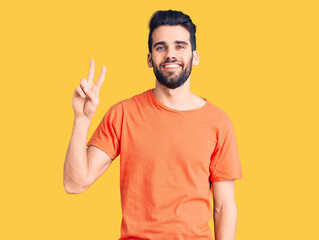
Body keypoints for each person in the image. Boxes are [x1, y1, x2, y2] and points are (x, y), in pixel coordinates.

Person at [64, 10, 242, 240]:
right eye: (161, 47)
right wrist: (81, 119)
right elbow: (74, 183)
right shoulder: (123, 114)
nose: (170, 54)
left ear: (194, 56)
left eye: (180, 46)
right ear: (150, 58)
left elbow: (224, 207)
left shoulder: (219, 122)